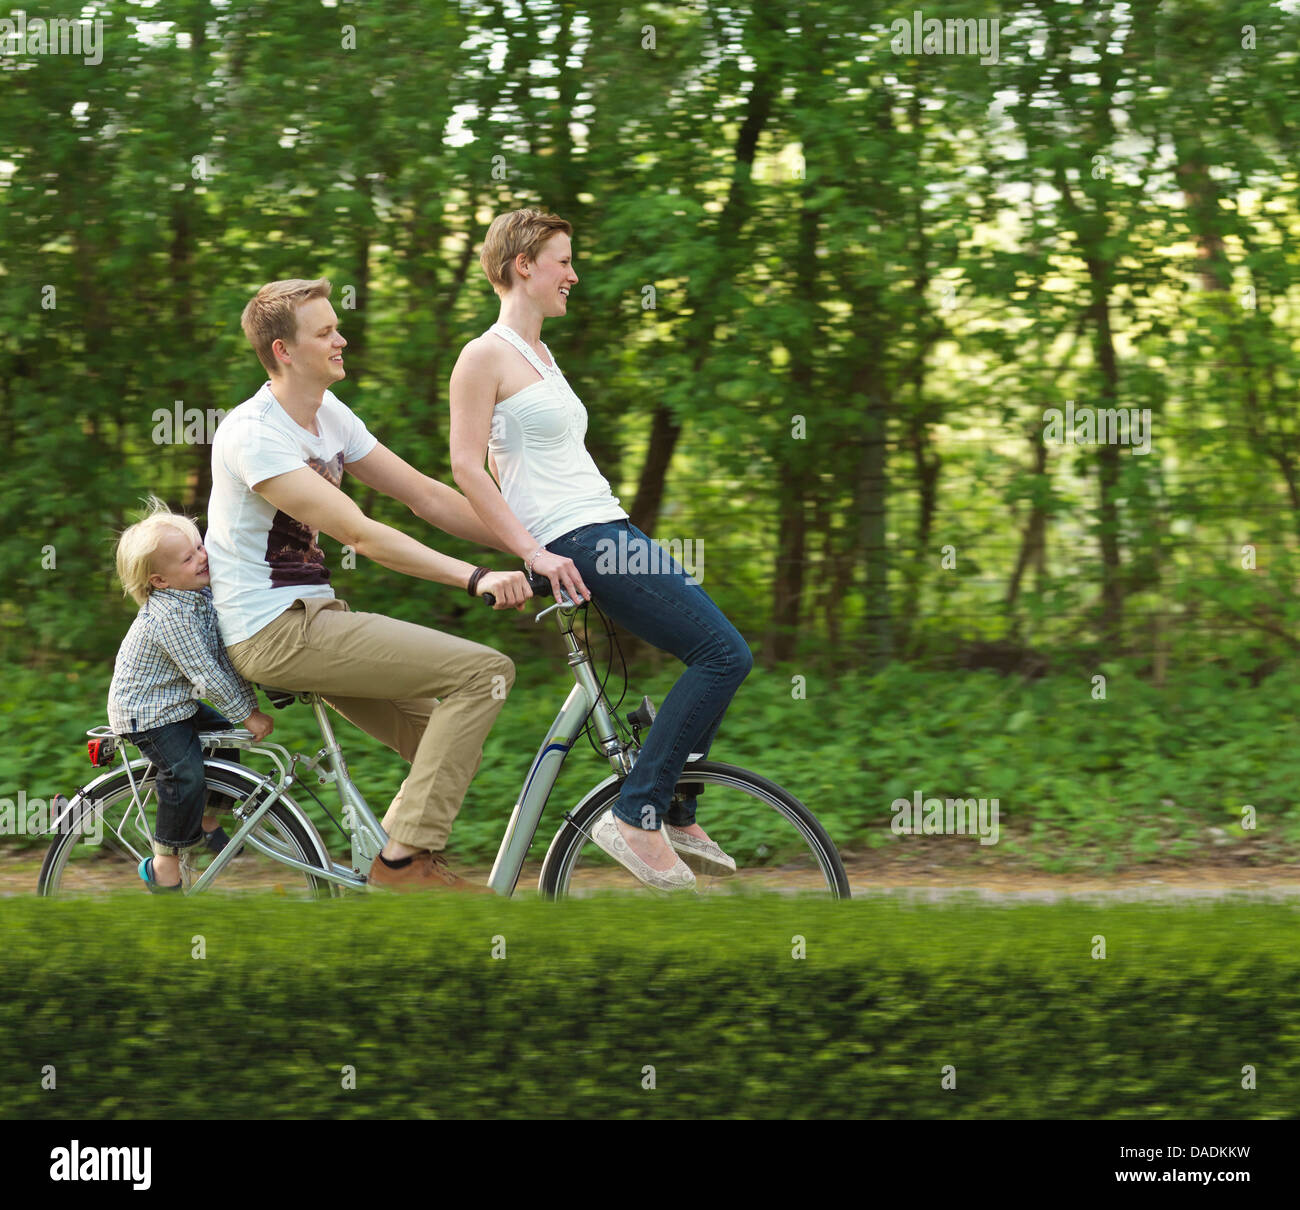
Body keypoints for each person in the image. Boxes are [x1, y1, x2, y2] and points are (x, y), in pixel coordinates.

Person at [449, 209, 753, 891]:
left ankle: (669, 804)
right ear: (523, 264)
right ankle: (640, 813)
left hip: (607, 528)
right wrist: (535, 552)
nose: (573, 274)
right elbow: (468, 467)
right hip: (578, 540)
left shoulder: (543, 358)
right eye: (562, 260)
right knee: (723, 653)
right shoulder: (484, 355)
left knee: (717, 653)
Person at [207, 278, 531, 893]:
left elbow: (425, 495)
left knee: (444, 742)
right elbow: (362, 535)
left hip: (313, 619)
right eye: (325, 332)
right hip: (274, 631)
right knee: (481, 674)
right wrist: (475, 577)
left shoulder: (328, 415)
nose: (342, 338)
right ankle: (402, 867)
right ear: (283, 351)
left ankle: (391, 869)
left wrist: (527, 545)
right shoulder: (255, 434)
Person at [108, 497, 275, 892]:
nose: (202, 558)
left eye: (200, 547)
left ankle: (206, 819)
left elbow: (223, 650)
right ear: (160, 581)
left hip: (175, 703)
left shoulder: (197, 595)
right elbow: (206, 672)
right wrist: (247, 713)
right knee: (182, 771)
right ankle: (163, 861)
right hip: (146, 714)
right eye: (188, 558)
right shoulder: (169, 616)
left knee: (222, 738)